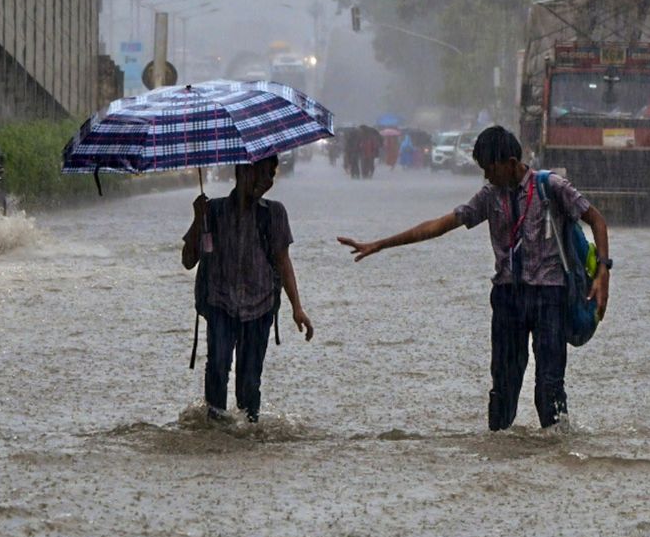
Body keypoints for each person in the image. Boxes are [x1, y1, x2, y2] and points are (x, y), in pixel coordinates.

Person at [337, 125, 611, 431]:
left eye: (489, 168)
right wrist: (380, 244)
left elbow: (596, 220)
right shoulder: (489, 197)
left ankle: (558, 445)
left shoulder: (551, 187)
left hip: (550, 297)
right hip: (508, 297)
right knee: (503, 384)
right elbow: (440, 225)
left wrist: (603, 272)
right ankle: (499, 446)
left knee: (550, 383)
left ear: (509, 162)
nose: (487, 177)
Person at [181, 156, 314, 423]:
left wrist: (297, 308)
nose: (265, 182)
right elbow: (188, 260)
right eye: (260, 174)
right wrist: (198, 220)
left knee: (250, 379)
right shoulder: (213, 211)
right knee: (217, 368)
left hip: (260, 305)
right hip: (220, 302)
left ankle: (249, 428)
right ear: (241, 172)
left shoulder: (274, 213)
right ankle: (215, 427)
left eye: (270, 176)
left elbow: (283, 261)